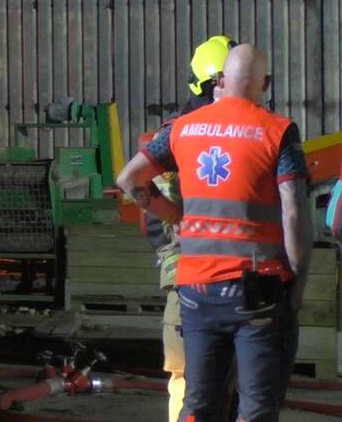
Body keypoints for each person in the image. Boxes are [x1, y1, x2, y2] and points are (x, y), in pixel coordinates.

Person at [117, 45, 312, 422]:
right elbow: (292, 213)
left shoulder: (181, 128)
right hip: (258, 290)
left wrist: (178, 217)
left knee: (198, 404)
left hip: (196, 290)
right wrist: (299, 283)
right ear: (266, 84)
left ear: (221, 80)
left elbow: (128, 179)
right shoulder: (278, 131)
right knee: (256, 409)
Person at [140, 35, 235, 422]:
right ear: (216, 84)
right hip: (195, 278)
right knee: (191, 379)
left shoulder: (238, 128)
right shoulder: (178, 134)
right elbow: (148, 206)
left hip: (226, 276)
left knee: (223, 381)